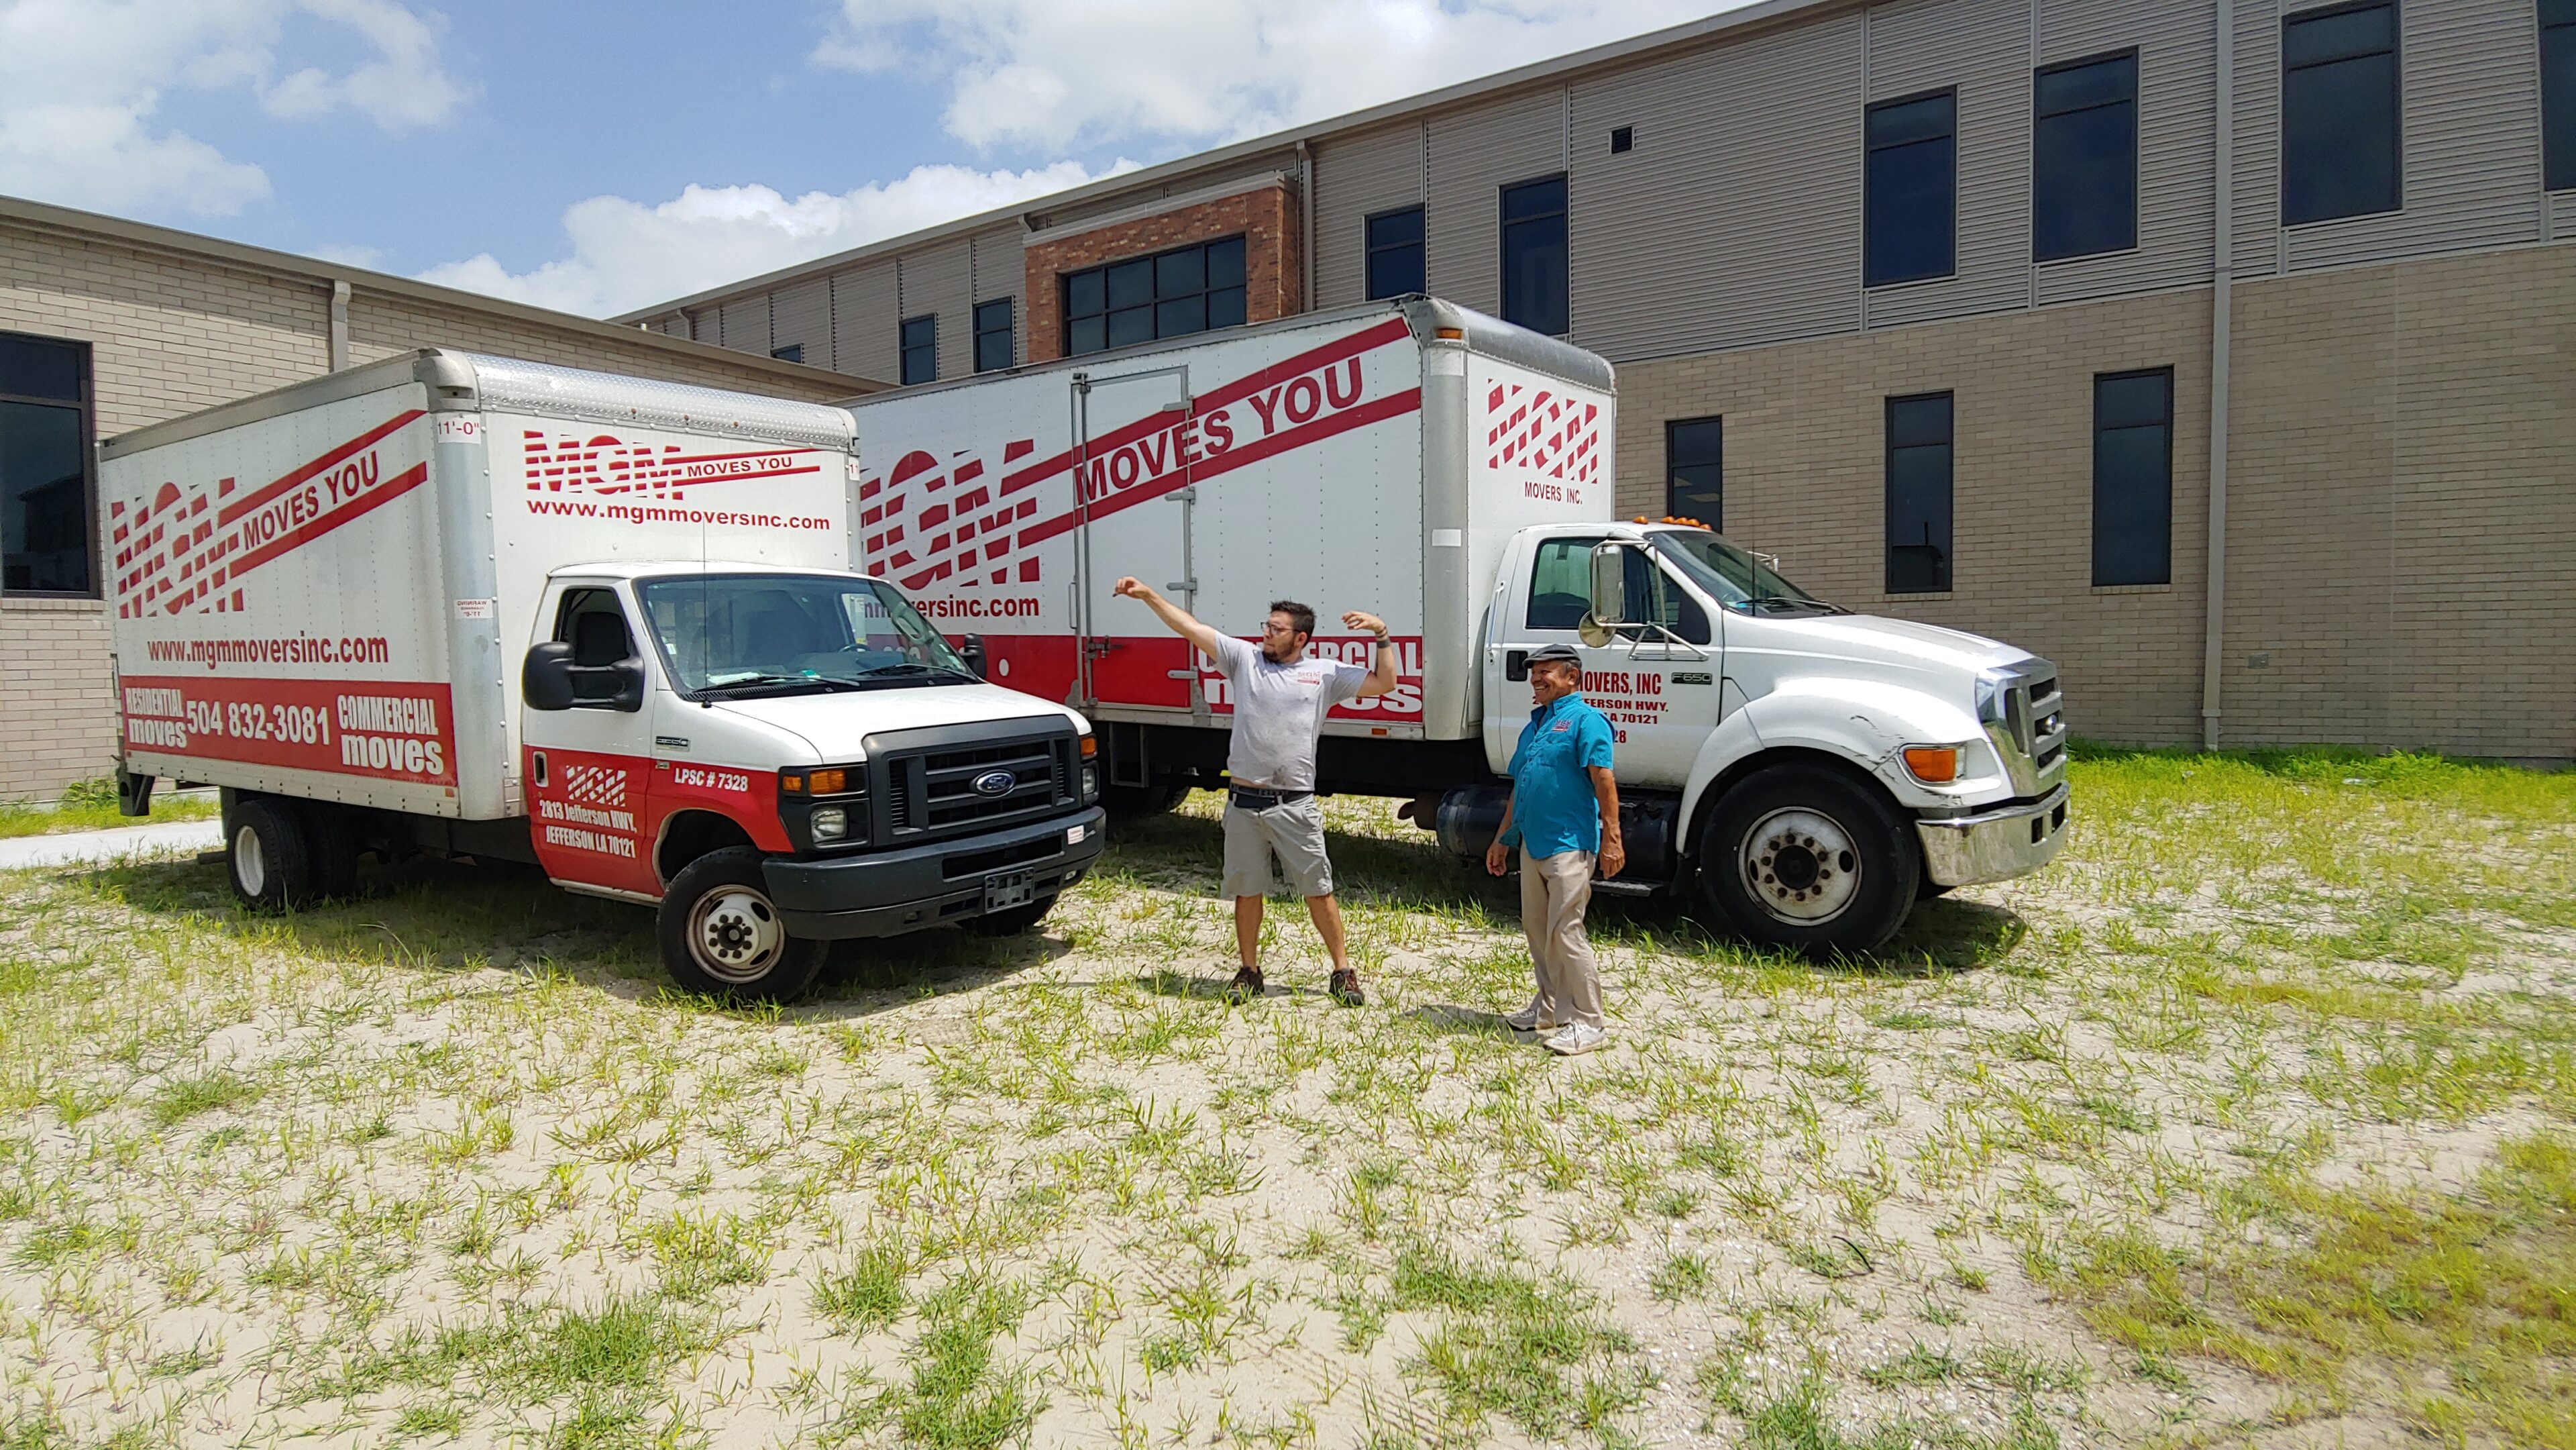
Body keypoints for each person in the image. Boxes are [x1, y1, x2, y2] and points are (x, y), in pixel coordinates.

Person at [1114, 578, 1401, 1006]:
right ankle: (1249, 971)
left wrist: (1381, 635)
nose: (1265, 633)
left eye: (1276, 629)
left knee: (1317, 890)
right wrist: (1149, 595)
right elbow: (1189, 627)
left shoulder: (1323, 673)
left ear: (1300, 637)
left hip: (1294, 804)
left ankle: (1342, 971)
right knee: (1248, 891)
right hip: (1244, 804)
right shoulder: (1244, 659)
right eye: (1266, 625)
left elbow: (1385, 683)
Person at [1484, 643, 1623, 1055]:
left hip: (1569, 844)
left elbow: (1605, 782)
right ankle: (1547, 1007)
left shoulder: (1588, 721)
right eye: (1533, 673)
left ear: (1572, 677)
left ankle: (1588, 1021)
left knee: (1566, 932)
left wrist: (1612, 839)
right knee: (1538, 929)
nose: (1536, 680)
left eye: (1546, 672)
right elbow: (1520, 786)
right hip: (1533, 843)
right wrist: (1501, 838)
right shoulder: (1536, 725)